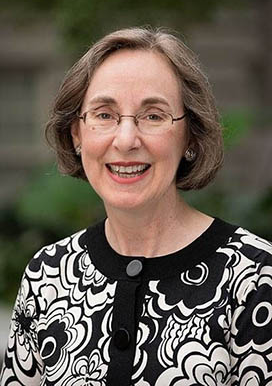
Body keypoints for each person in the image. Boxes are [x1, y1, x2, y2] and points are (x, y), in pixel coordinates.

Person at [1, 27, 272, 386]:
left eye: (153, 116)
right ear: (77, 135)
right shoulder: (47, 274)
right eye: (104, 114)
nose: (126, 139)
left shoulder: (254, 277)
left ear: (191, 135)